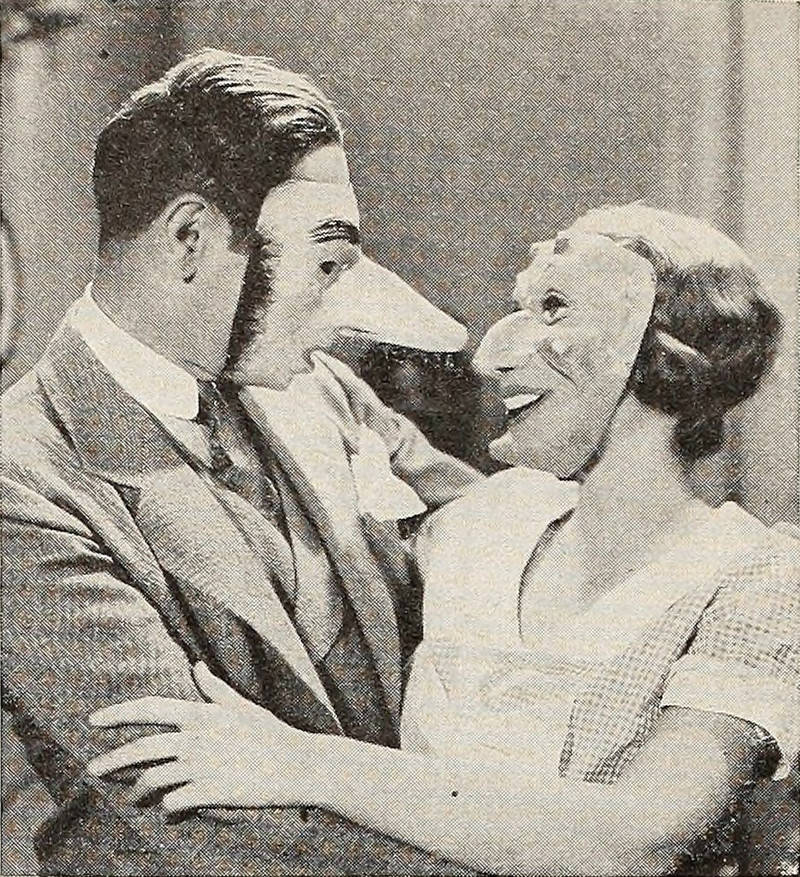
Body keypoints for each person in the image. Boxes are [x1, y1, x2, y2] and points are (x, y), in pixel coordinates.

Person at [90, 206, 799, 875]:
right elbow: (324, 459)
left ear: (667, 348)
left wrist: (301, 762)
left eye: (554, 307)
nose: (491, 359)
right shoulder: (484, 523)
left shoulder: (754, 576)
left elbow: (642, 835)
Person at [1, 49, 483, 876]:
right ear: (190, 237)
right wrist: (540, 845)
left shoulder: (317, 388)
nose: (344, 315)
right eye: (326, 264)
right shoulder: (23, 476)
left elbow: (492, 530)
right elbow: (208, 822)